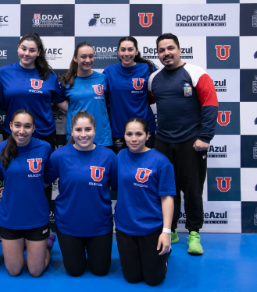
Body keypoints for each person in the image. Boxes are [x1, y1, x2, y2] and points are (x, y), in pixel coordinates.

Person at [148, 33, 219, 255]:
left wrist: (205, 137)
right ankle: (171, 229)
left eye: (170, 48)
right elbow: (150, 106)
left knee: (192, 190)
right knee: (166, 189)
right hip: (163, 142)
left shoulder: (196, 73)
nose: (166, 53)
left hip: (191, 142)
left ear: (179, 49)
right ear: (157, 54)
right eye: (161, 50)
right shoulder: (154, 79)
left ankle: (194, 233)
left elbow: (210, 105)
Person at [45, 110, 117, 277]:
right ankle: (46, 245)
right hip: (68, 224)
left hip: (100, 224)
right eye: (78, 130)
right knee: (74, 271)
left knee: (100, 271)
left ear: (95, 130)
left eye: (88, 129)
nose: (83, 134)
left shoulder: (109, 156)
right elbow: (42, 182)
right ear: (71, 131)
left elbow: (120, 187)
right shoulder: (59, 156)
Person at [115, 117, 175, 286]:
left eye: (139, 134)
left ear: (148, 135)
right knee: (132, 278)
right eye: (129, 134)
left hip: (152, 227)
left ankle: (165, 255)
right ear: (124, 136)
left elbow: (167, 197)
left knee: (153, 280)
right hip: (125, 227)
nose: (134, 138)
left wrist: (166, 231)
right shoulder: (120, 156)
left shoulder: (161, 161)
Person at [0, 109, 53, 277]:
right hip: (10, 217)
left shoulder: (44, 148)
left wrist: (28, 186)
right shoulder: (1, 148)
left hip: (36, 216)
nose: (22, 131)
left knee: (35, 271)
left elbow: (46, 179)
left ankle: (46, 245)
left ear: (34, 128)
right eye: (17, 125)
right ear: (10, 126)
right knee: (14, 270)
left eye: (27, 126)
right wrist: (11, 189)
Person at [0, 33, 65, 149]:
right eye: (24, 49)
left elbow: (60, 102)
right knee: (12, 167)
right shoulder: (4, 72)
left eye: (32, 50)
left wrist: (84, 110)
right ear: (18, 48)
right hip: (14, 133)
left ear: (38, 52)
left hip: (44, 133)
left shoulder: (49, 75)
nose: (27, 53)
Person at [103, 36, 157, 154]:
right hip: (119, 130)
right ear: (118, 51)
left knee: (147, 169)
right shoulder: (109, 71)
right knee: (122, 170)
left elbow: (158, 94)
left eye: (130, 49)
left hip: (144, 130)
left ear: (136, 51)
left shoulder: (148, 68)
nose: (126, 53)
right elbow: (102, 98)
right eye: (123, 50)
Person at [58, 42, 112, 148]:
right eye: (83, 57)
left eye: (91, 56)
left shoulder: (103, 79)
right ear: (75, 58)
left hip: (101, 138)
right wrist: (72, 109)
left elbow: (109, 102)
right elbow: (56, 100)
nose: (88, 60)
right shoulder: (67, 82)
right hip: (76, 137)